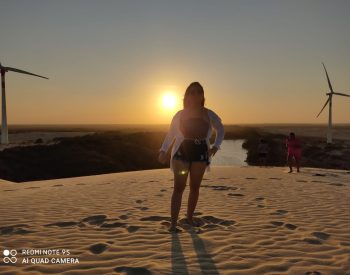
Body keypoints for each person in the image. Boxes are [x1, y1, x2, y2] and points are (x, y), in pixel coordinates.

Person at [158, 82, 224, 233]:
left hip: (200, 153)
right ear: (186, 95)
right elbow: (171, 134)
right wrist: (163, 150)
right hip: (182, 151)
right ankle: (173, 225)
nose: (195, 95)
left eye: (198, 92)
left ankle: (189, 218)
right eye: (191, 92)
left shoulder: (208, 113)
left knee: (195, 187)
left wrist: (215, 146)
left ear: (202, 96)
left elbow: (221, 129)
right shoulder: (180, 114)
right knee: (178, 188)